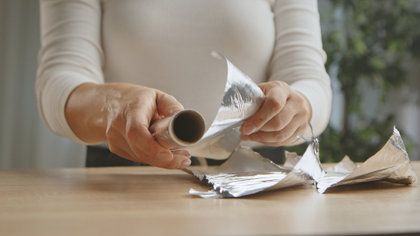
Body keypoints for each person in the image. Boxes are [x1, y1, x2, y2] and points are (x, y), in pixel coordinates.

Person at [36, 0, 332, 169]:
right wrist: (115, 102)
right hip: (124, 179)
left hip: (252, 181)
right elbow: (58, 82)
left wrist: (298, 106)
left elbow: (309, 78)